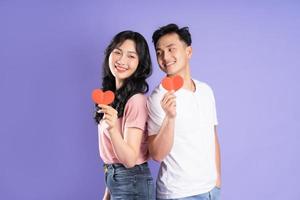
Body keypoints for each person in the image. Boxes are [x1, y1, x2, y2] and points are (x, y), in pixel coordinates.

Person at [147, 24, 222, 200]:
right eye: (159, 52)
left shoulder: (206, 90)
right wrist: (170, 118)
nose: (165, 57)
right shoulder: (158, 98)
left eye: (171, 49)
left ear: (188, 52)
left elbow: (212, 136)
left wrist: (217, 180)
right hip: (178, 194)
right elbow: (156, 154)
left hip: (211, 191)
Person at [94, 31, 155, 200]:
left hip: (132, 181)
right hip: (116, 179)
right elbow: (112, 157)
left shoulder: (136, 101)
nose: (121, 61)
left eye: (131, 56)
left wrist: (113, 128)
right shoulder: (111, 97)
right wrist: (108, 193)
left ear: (140, 64)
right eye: (118, 52)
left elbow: (129, 160)